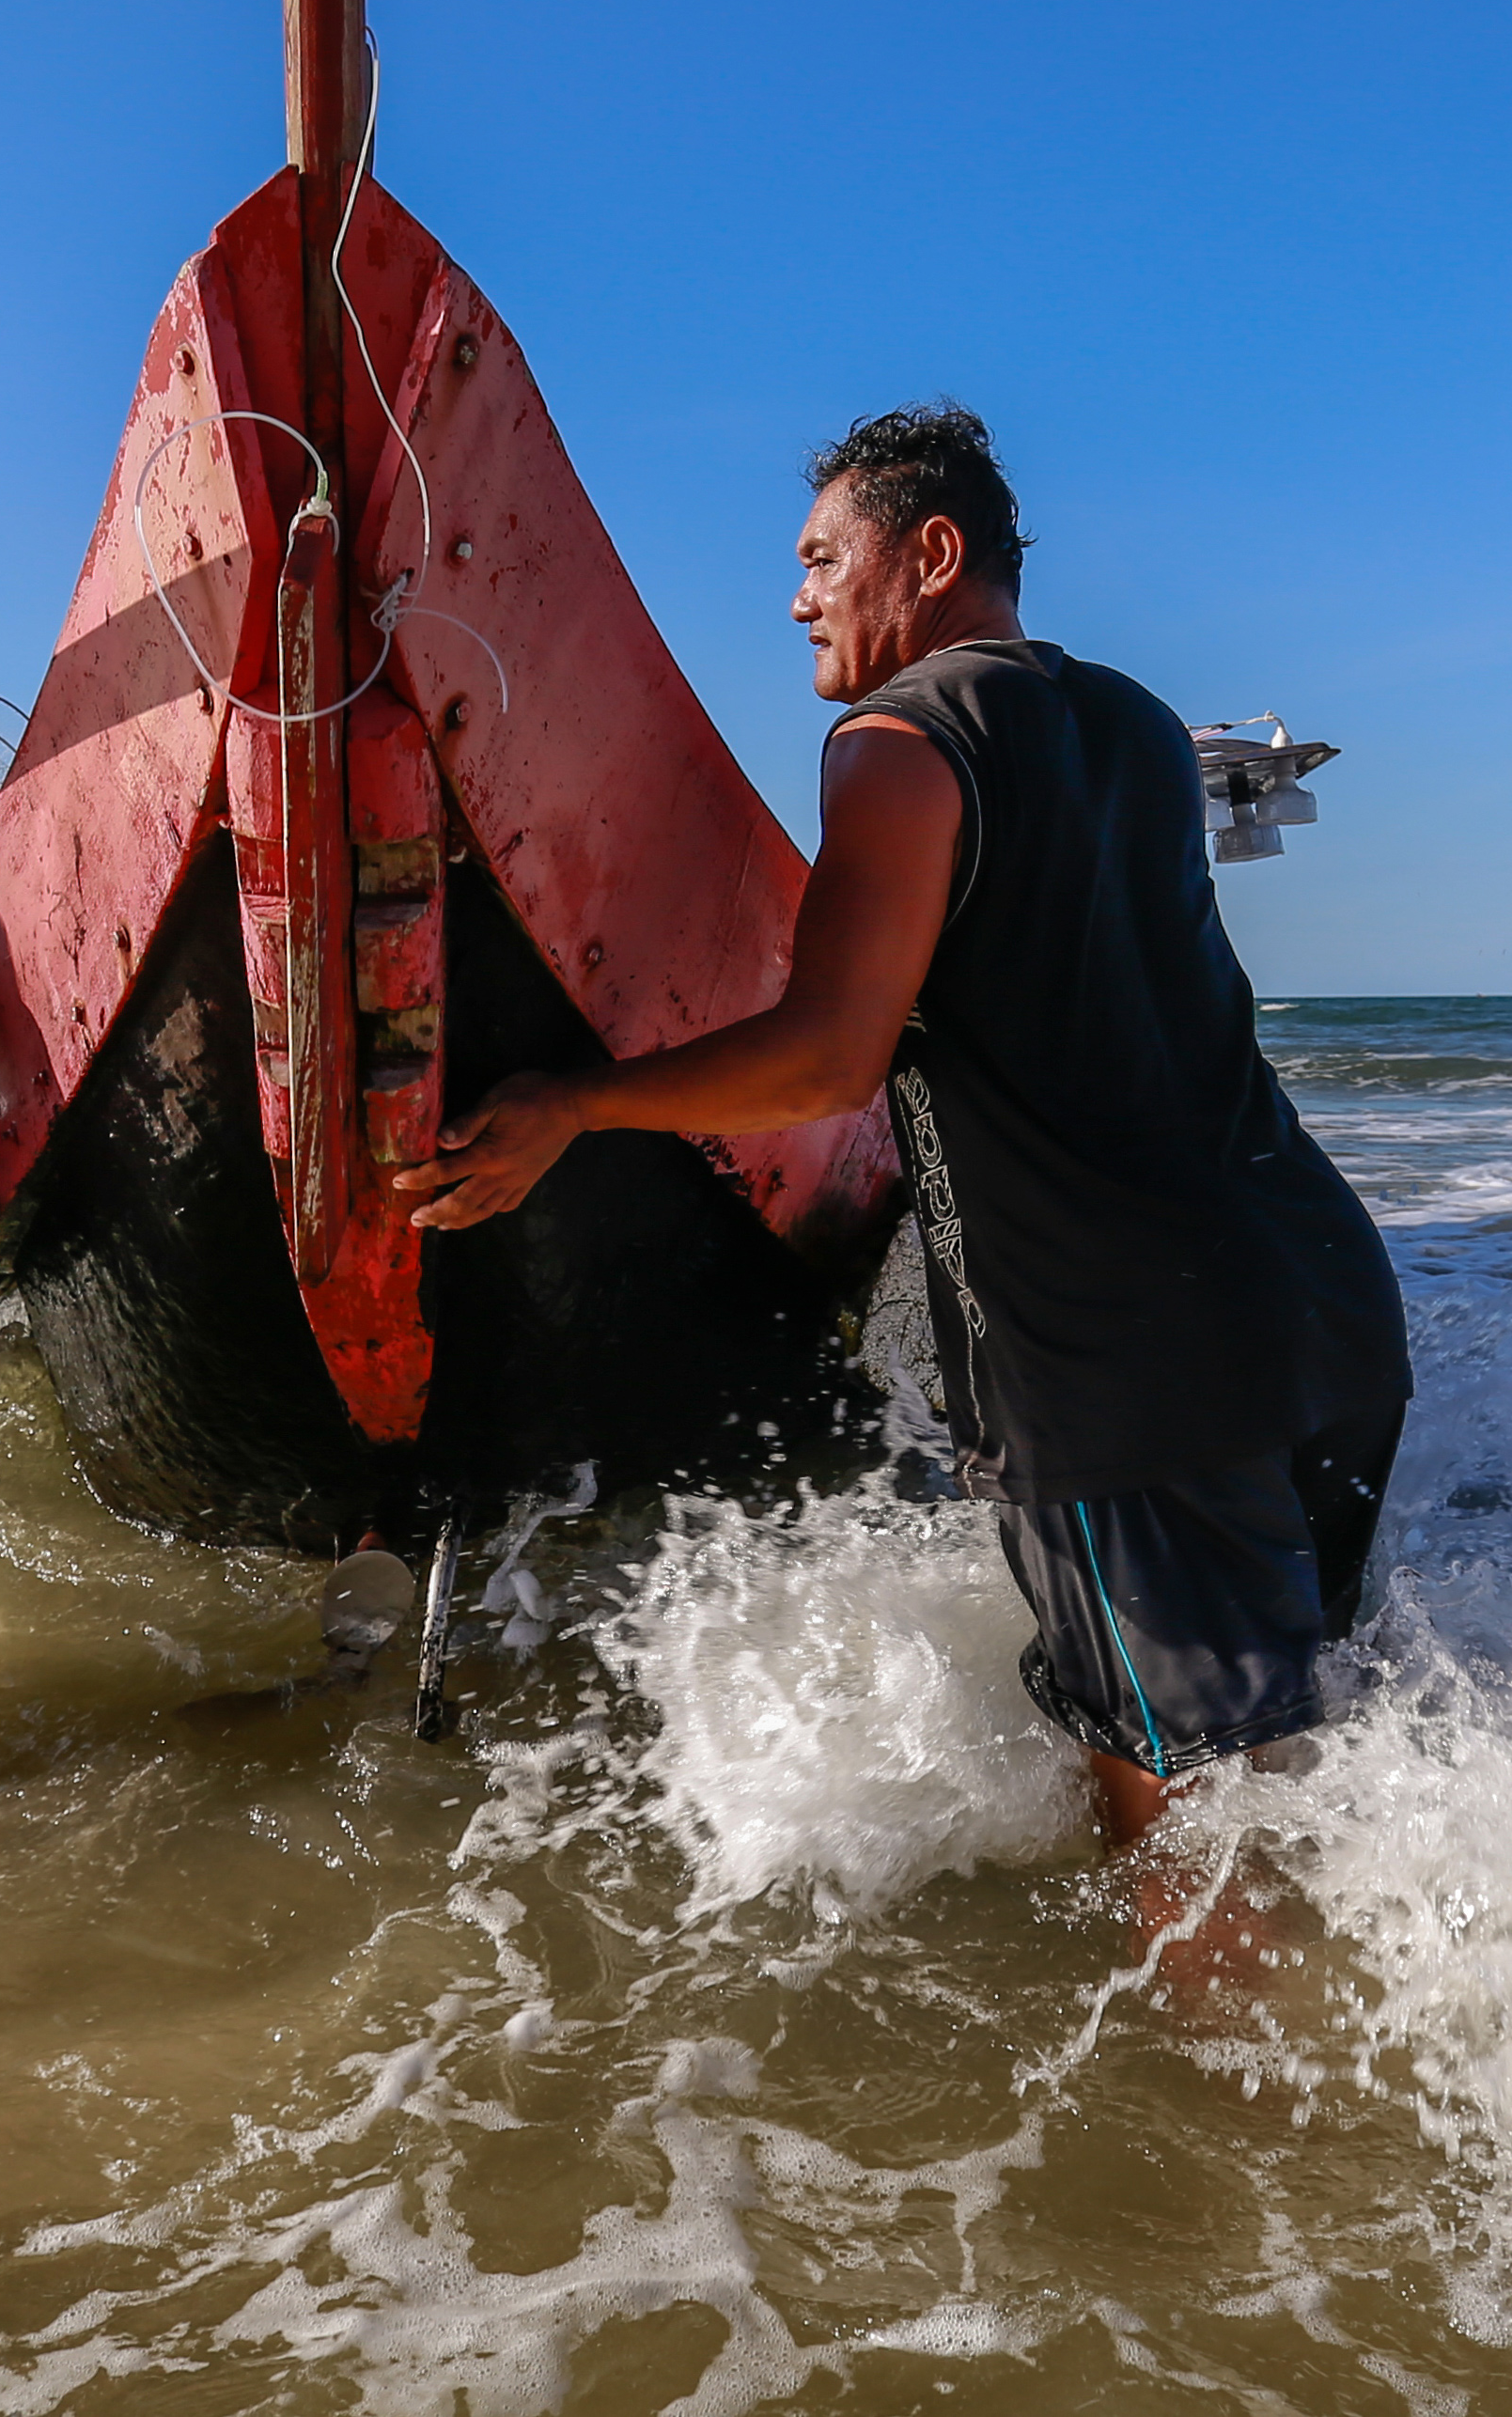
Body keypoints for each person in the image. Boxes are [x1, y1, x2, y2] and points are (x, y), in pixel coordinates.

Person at [394, 403, 1413, 1890]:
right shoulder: (1132, 720)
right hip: (1318, 1307)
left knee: (1182, 1830)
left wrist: (570, 1102)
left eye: (821, 558)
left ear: (930, 555)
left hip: (1123, 1372)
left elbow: (826, 1055)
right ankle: (1360, 2083)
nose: (796, 598)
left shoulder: (892, 737)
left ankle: (1210, 2110)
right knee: (1292, 1771)